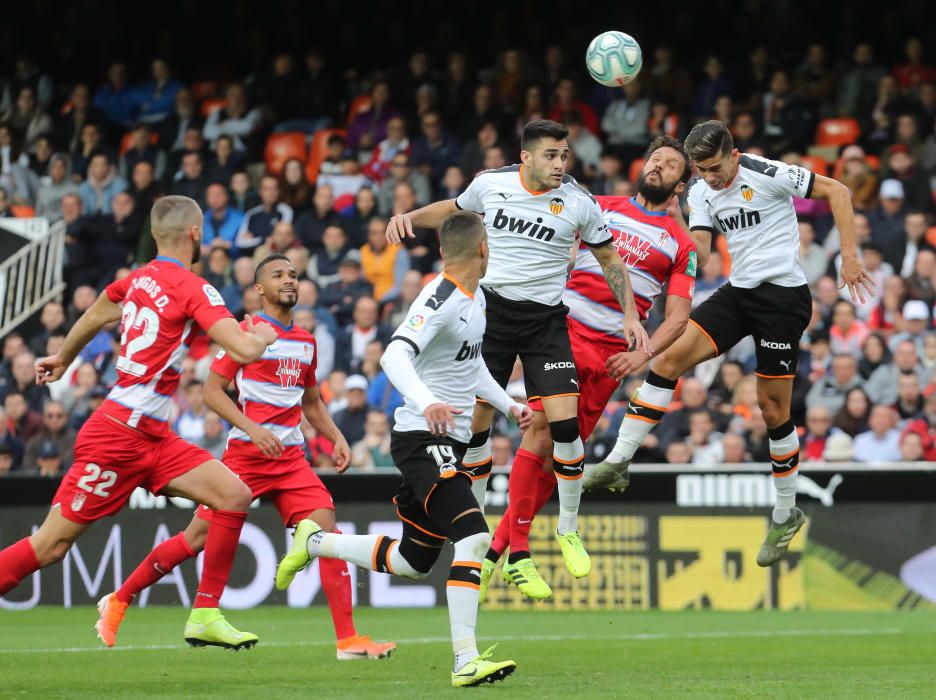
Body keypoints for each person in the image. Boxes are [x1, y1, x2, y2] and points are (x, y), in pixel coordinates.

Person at [588, 120, 875, 567]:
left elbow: (837, 191)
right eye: (701, 170)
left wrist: (850, 256)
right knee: (667, 359)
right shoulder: (701, 192)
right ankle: (620, 459)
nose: (711, 177)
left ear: (734, 155)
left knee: (773, 410)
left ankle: (785, 512)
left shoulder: (767, 171)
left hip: (782, 298)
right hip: (739, 294)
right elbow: (701, 254)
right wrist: (678, 215)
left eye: (716, 168)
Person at [0, 195, 279, 649]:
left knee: (233, 495)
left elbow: (93, 315)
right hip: (118, 436)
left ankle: (205, 613)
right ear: (196, 233)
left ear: (154, 234)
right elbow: (246, 351)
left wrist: (63, 357)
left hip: (153, 436)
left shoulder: (136, 280)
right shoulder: (195, 288)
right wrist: (262, 335)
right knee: (51, 547)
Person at [386, 119, 649, 591]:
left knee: (565, 425)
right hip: (492, 315)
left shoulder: (579, 203)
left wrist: (630, 315)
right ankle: (479, 538)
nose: (560, 164)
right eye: (551, 155)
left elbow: (611, 260)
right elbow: (456, 208)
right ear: (526, 156)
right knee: (477, 427)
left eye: (564, 156)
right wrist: (409, 217)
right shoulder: (491, 184)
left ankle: (568, 527)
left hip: (545, 322)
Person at [96, 253, 395, 659]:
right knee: (194, 539)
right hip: (244, 457)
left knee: (328, 534)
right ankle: (119, 599)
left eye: (293, 274)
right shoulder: (245, 333)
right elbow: (212, 392)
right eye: (278, 275)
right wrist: (254, 429)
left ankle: (347, 641)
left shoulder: (306, 341)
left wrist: (336, 436)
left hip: (290, 461)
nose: (289, 280)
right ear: (258, 289)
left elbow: (311, 402)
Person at [276, 211, 529, 687]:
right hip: (422, 438)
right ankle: (465, 660)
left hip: (442, 440)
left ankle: (313, 542)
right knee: (474, 536)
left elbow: (469, 369)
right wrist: (426, 400)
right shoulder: (440, 297)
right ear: (483, 249)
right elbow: (395, 353)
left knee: (413, 562)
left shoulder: (474, 303)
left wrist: (509, 405)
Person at [480, 136, 697, 600]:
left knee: (559, 455)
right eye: (655, 158)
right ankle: (520, 549)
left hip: (612, 358)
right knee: (540, 431)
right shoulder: (597, 205)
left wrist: (642, 356)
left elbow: (678, 317)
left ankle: (495, 550)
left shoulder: (682, 244)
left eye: (671, 165)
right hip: (564, 331)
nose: (659, 166)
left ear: (680, 184)